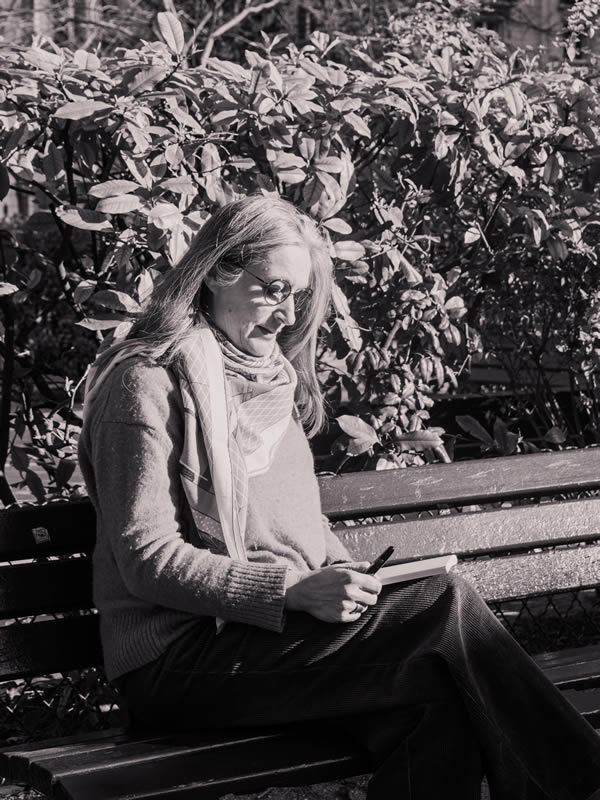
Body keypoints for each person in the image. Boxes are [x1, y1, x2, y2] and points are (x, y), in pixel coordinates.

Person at [78, 195, 600, 800]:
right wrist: (290, 589)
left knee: (435, 700)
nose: (286, 315)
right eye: (274, 289)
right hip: (180, 658)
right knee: (445, 605)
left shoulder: (269, 381)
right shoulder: (144, 382)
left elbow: (301, 529)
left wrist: (341, 575)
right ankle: (580, 786)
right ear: (217, 271)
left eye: (298, 296)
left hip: (272, 639)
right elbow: (146, 560)